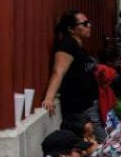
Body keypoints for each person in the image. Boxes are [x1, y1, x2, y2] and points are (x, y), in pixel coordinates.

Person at [41, 10, 107, 142]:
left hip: (89, 104)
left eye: (89, 23)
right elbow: (58, 71)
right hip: (80, 106)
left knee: (95, 140)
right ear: (71, 29)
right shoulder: (67, 45)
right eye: (85, 24)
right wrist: (49, 97)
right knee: (103, 141)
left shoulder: (78, 46)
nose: (89, 26)